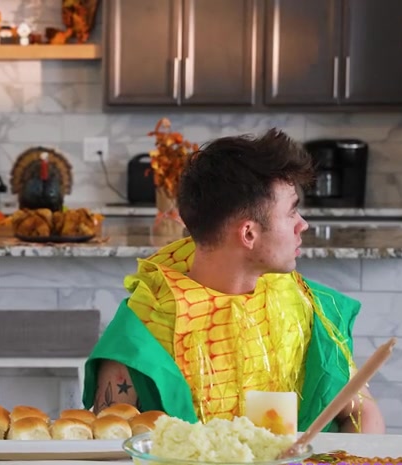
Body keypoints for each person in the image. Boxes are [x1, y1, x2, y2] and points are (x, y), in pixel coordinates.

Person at [82, 129, 385, 434]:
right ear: (249, 233)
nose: (303, 224)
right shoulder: (142, 330)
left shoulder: (305, 306)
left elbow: (362, 412)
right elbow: (112, 443)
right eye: (292, 211)